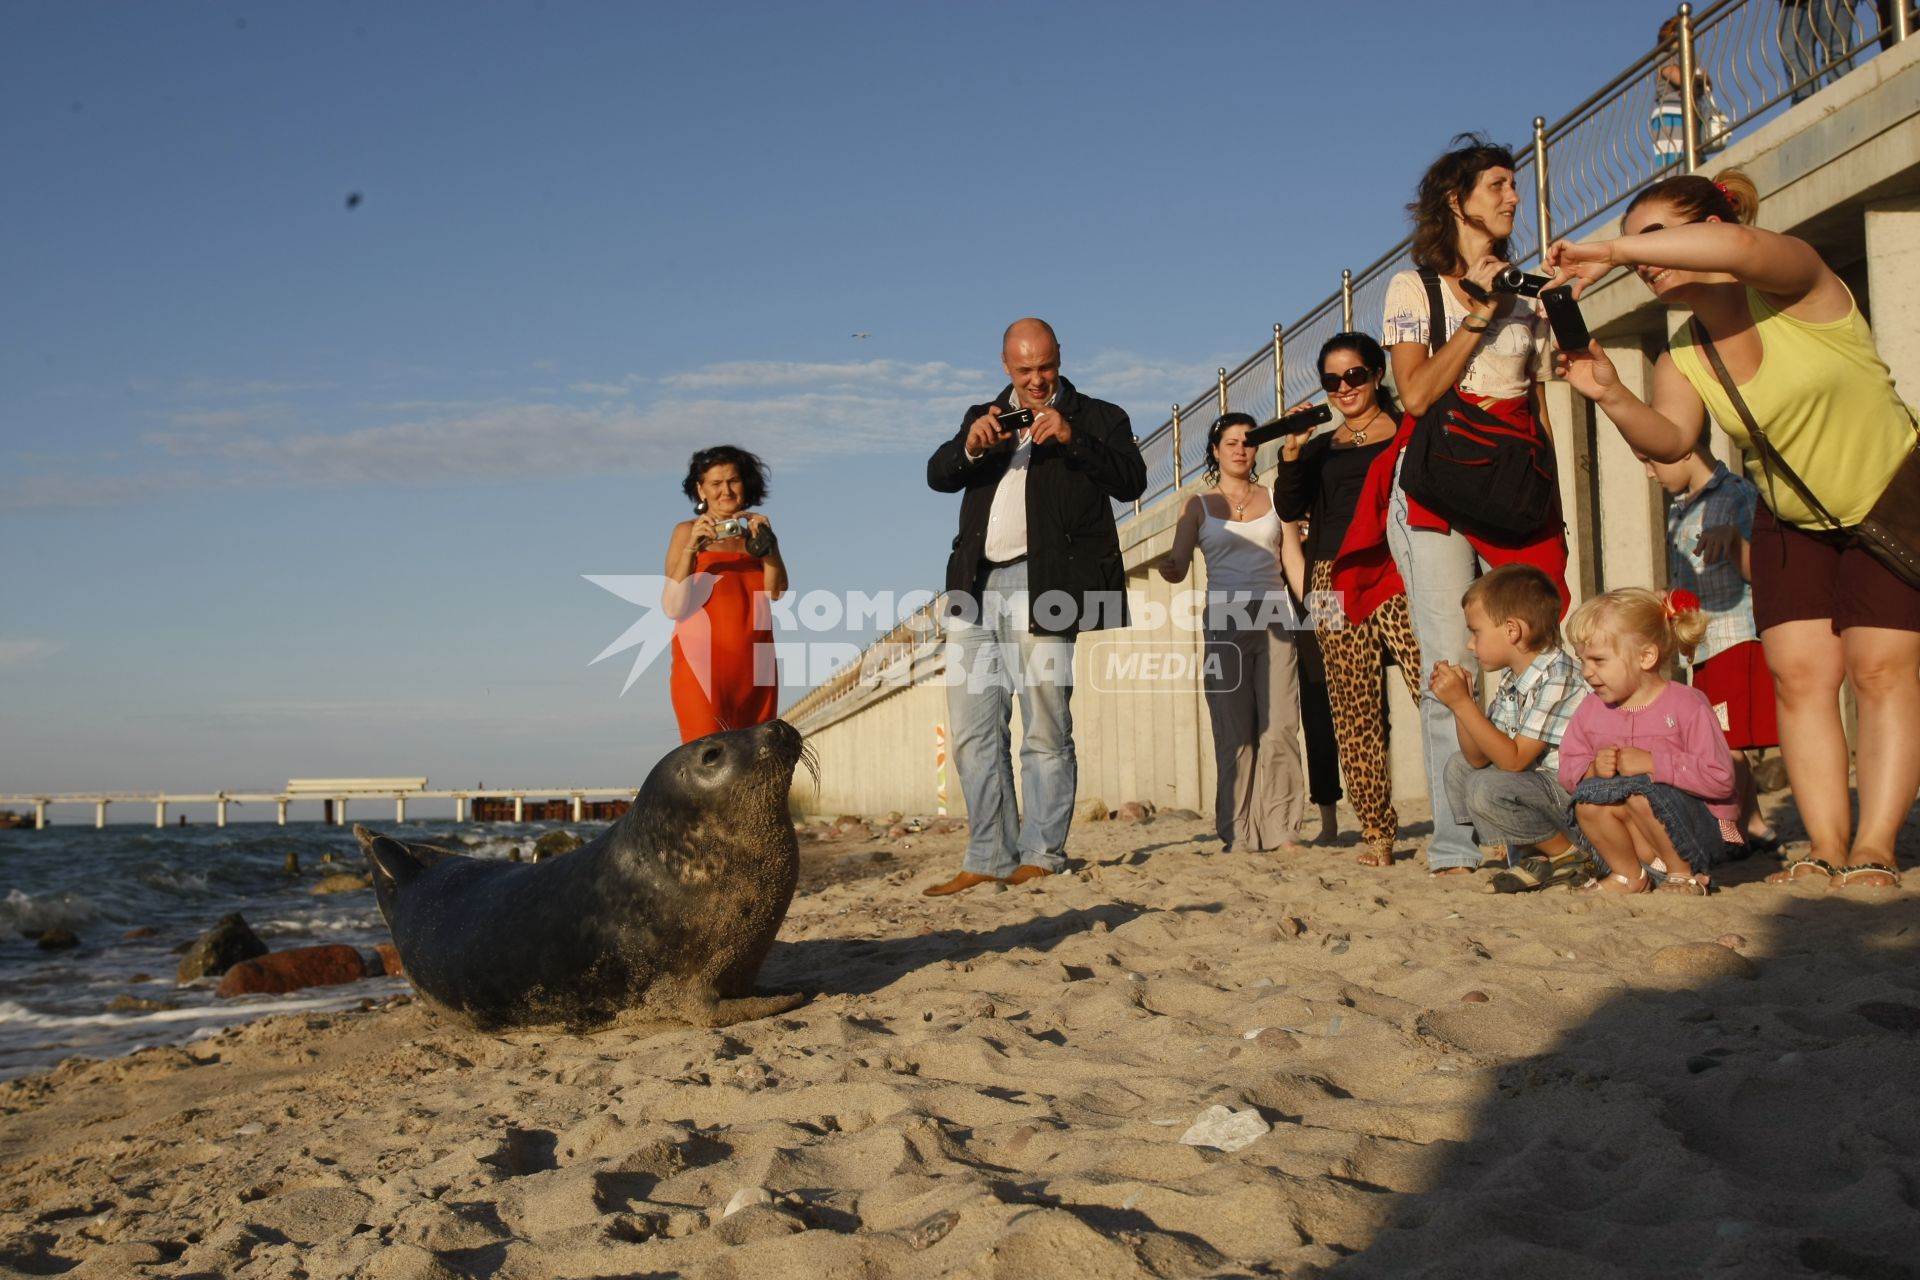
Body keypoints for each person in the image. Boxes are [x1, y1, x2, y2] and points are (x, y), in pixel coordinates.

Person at [1548, 169, 1919, 891]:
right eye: (1636, 242)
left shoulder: (1796, 282)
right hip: (1789, 513)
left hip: (1890, 496)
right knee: (1799, 677)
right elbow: (1669, 442)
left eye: (1657, 237)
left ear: (1711, 228)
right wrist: (1612, 393)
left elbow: (1746, 247)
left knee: (1882, 671)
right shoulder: (1684, 351)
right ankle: (1822, 846)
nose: (1644, 255)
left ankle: (1876, 843)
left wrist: (1613, 251)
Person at [1353, 136, 1570, 876]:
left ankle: (1532, 827)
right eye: (1500, 185)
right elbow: (1413, 394)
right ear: (1458, 199)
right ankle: (1457, 844)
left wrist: (1552, 508)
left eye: (1515, 186)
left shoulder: (1530, 292)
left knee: (1536, 658)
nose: (1514, 198)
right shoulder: (1414, 289)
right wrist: (1481, 312)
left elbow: (1537, 406)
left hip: (1514, 494)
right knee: (1454, 668)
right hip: (1439, 495)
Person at [923, 318, 1147, 895]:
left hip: (1047, 584)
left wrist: (1073, 439)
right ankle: (989, 855)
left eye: (1045, 367)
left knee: (1045, 726)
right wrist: (972, 446)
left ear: (1059, 358)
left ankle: (1042, 853)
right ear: (1005, 366)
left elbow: (1131, 480)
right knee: (974, 730)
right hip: (974, 587)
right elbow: (938, 475)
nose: (1037, 380)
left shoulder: (1099, 417)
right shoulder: (985, 415)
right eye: (1024, 370)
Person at [1274, 333, 1424, 868]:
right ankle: (1378, 832)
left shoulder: (1411, 431)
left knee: (1432, 687)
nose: (1344, 389)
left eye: (1354, 376)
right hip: (1329, 578)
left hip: (1398, 569)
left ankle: (1469, 818)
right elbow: (1288, 506)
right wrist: (1292, 452)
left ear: (1378, 373)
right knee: (1351, 706)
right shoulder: (1317, 450)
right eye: (1332, 381)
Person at [1159, 412, 1307, 854]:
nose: (1241, 449)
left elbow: (1294, 562)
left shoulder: (1278, 498)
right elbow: (1179, 560)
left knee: (1280, 726)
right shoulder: (1198, 506)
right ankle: (1239, 832)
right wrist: (1172, 568)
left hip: (1277, 617)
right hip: (1225, 620)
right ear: (1216, 451)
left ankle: (1282, 829)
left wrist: (1324, 611)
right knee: (1234, 730)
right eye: (1231, 443)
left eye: (1248, 442)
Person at [1642, 441, 1783, 858]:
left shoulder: (1736, 495)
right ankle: (1753, 824)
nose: (1650, 473)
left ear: (1684, 447)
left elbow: (1766, 568)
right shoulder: (1679, 506)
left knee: (1722, 743)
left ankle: (1732, 834)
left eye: (1652, 459)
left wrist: (1737, 542)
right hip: (1702, 643)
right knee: (1724, 739)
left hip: (1733, 638)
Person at [1429, 565, 1591, 894]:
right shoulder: (1512, 680)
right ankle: (1537, 858)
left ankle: (1569, 854)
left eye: (1476, 632)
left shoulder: (1557, 676)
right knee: (1459, 768)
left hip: (1574, 802)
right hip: (1537, 789)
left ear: (1512, 630)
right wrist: (1464, 704)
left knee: (1485, 787)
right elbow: (1476, 759)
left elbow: (1514, 760)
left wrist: (1462, 705)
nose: (1471, 645)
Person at [1560, 588, 1734, 895]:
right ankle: (1628, 875)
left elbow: (1720, 778)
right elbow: (1568, 770)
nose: (1587, 672)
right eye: (1582, 660)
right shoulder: (1591, 710)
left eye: (1598, 660)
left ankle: (1684, 875)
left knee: (1642, 791)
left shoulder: (1687, 704)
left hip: (1694, 837)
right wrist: (1591, 770)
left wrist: (1654, 763)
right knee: (1587, 799)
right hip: (1636, 841)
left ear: (1646, 656)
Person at [662, 445, 788, 743]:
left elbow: (776, 592)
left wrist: (769, 546)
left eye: (733, 481)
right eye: (716, 484)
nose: (726, 491)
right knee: (706, 756)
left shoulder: (756, 537)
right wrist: (693, 548)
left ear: (745, 484)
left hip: (756, 663)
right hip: (700, 665)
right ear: (700, 490)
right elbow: (673, 607)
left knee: (754, 760)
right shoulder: (685, 532)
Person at [1780, 0, 1855, 103]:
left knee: (1837, 52)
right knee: (1793, 61)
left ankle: (1846, 102)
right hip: (1791, 3)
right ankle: (1808, 109)